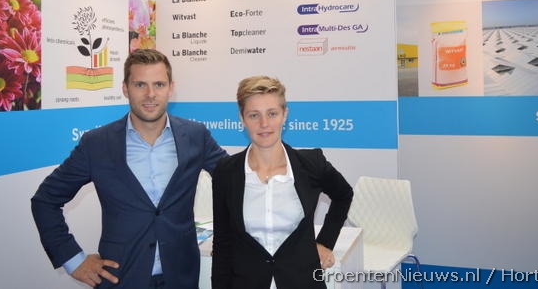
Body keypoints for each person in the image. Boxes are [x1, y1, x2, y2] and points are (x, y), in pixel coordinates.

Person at [31, 49, 227, 289]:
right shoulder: (97, 144)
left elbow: (235, 182)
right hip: (121, 278)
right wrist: (73, 260)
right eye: (140, 84)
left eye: (159, 84)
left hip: (181, 278)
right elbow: (45, 200)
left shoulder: (196, 136)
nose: (150, 94)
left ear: (171, 88)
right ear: (125, 88)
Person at [211, 75, 354, 289]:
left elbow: (344, 195)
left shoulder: (311, 164)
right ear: (242, 118)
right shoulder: (226, 171)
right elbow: (223, 244)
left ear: (285, 114)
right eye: (254, 115)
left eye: (272, 113)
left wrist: (325, 242)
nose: (264, 124)